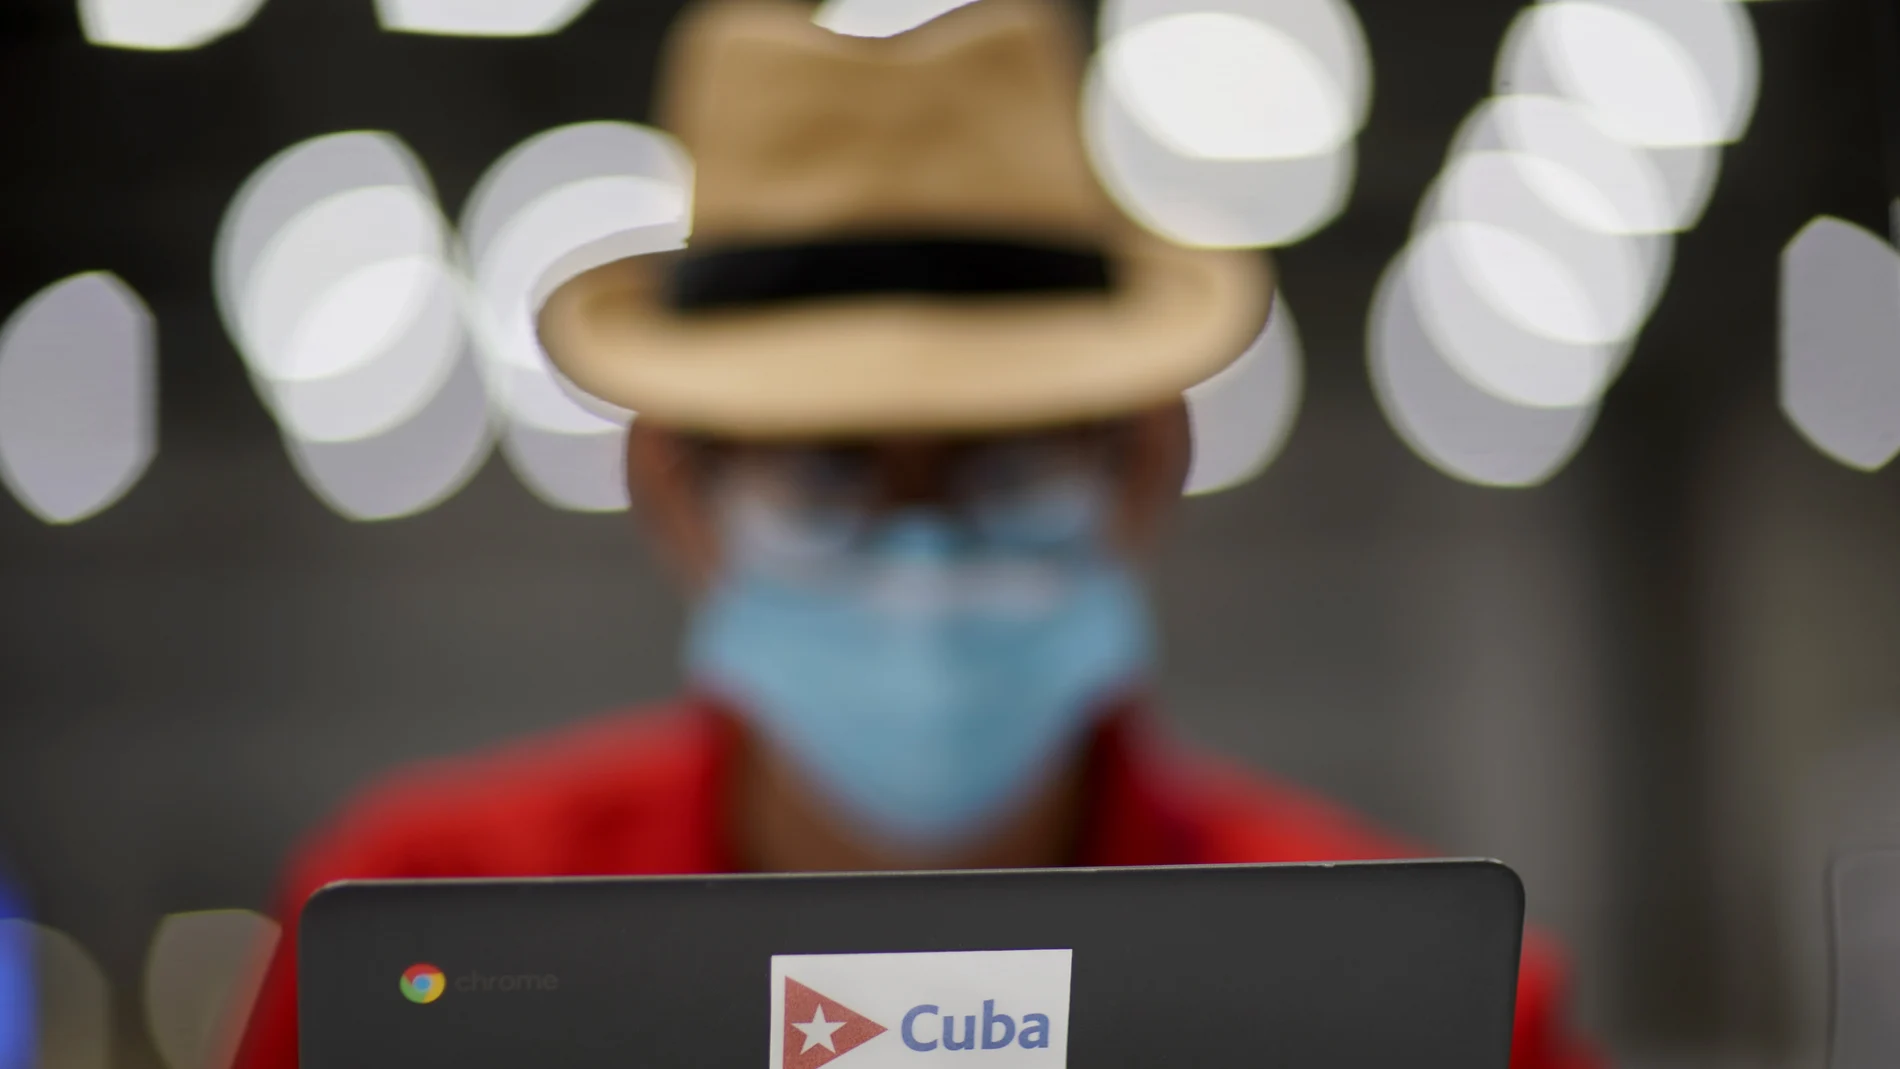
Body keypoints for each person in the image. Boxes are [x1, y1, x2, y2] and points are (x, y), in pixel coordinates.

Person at [234, 1, 1602, 1067]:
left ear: (1143, 468)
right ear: (675, 490)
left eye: (1001, 467)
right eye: (829, 474)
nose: (923, 553)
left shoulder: (1423, 994)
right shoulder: (425, 912)